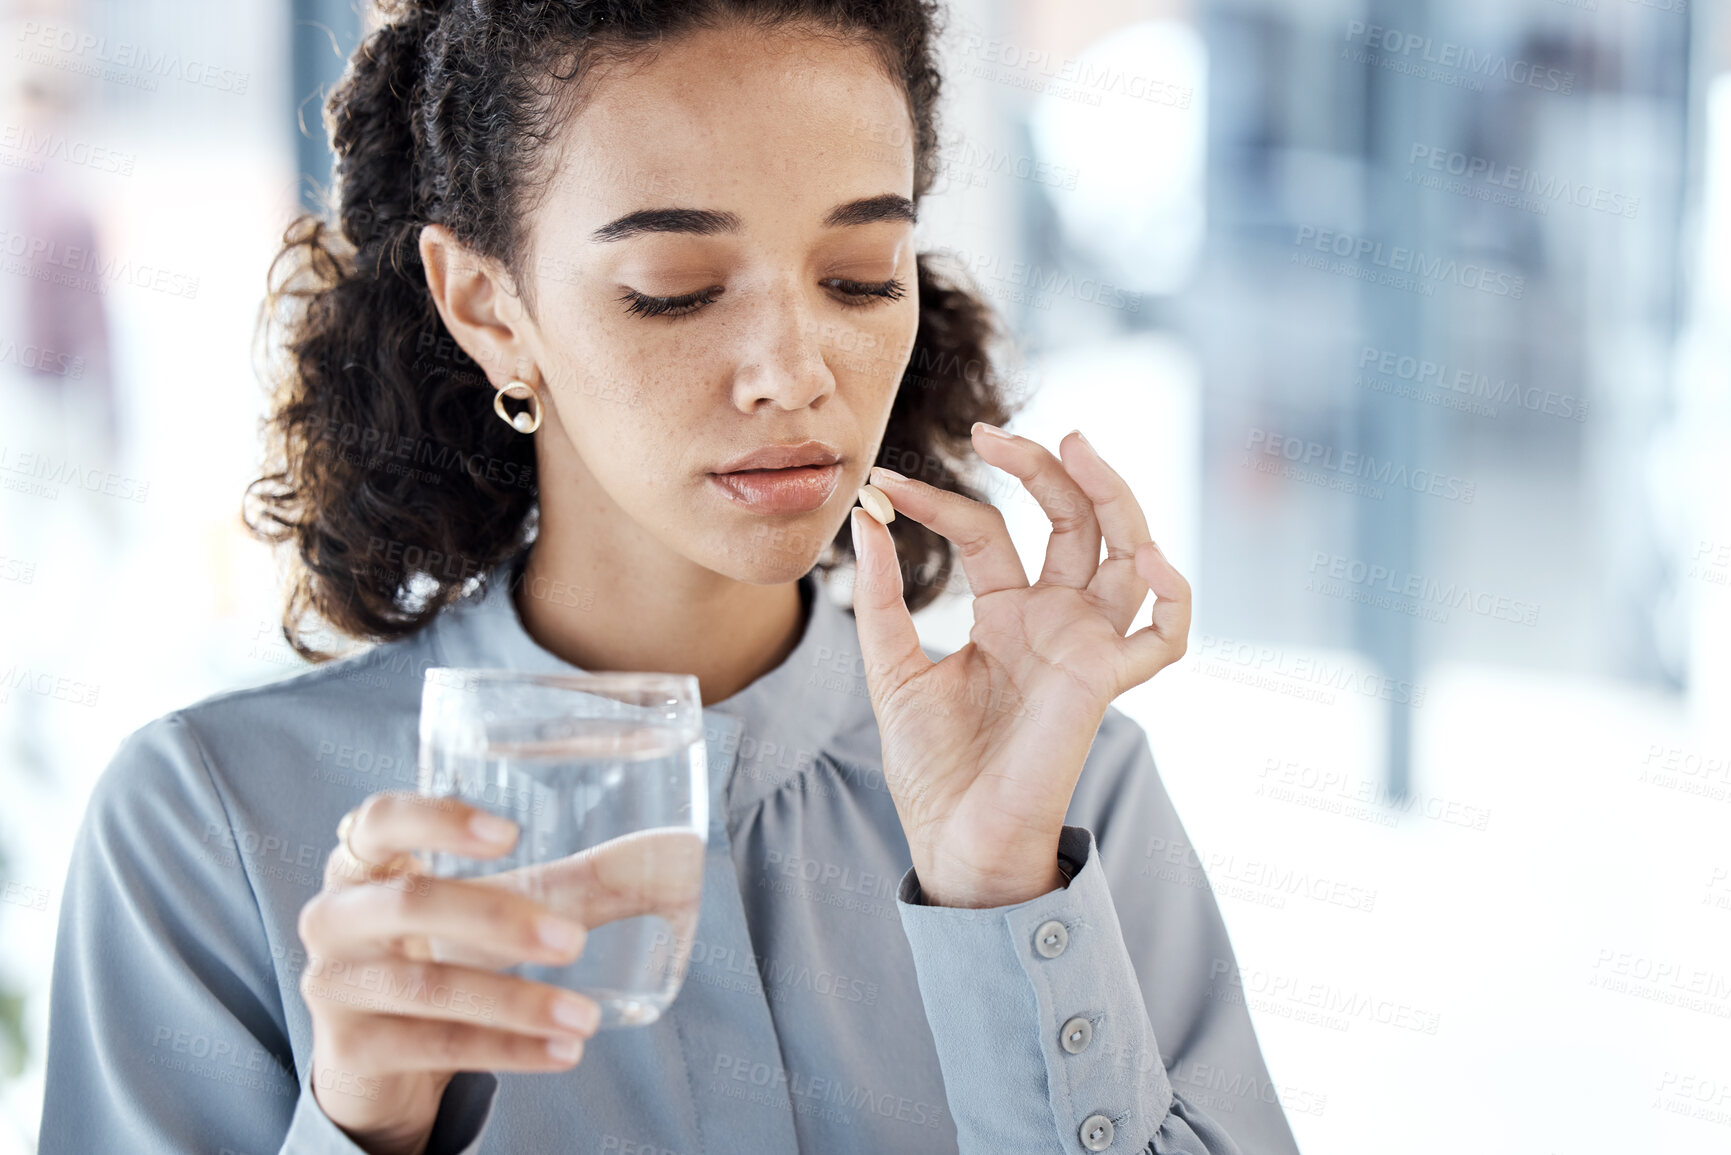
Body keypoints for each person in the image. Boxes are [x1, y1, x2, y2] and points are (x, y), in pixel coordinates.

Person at [39, 1, 1301, 1152]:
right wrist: (359, 1131)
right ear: (487, 306)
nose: (794, 371)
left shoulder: (1069, 795)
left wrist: (1003, 909)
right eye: (676, 290)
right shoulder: (210, 826)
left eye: (861, 277)